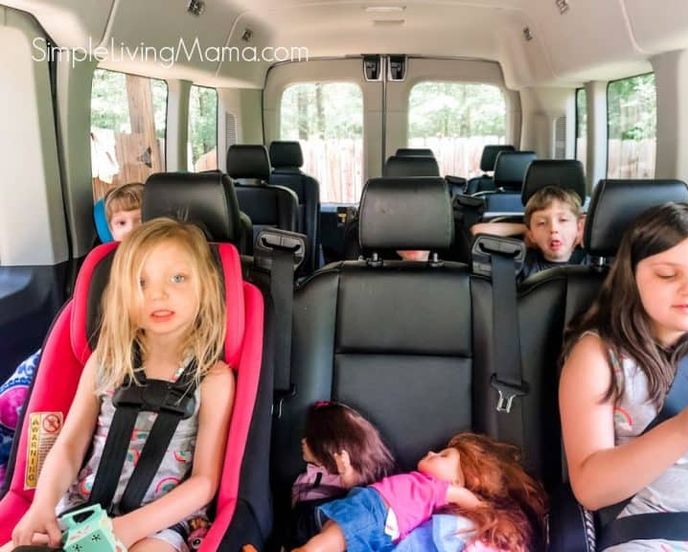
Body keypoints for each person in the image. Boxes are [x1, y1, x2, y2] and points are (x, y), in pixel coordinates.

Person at [4, 218, 235, 552]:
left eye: (178, 278)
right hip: (81, 507)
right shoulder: (105, 362)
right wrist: (43, 505)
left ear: (207, 285)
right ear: (122, 294)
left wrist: (128, 528)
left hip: (160, 523)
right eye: (141, 282)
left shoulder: (213, 378)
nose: (159, 293)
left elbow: (204, 481)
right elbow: (68, 446)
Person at [560, 203, 688, 550]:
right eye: (668, 275)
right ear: (632, 276)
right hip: (656, 532)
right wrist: (686, 429)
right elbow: (591, 489)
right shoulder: (598, 355)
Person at [0, 182, 145, 486]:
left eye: (141, 219)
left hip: (117, 358)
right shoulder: (102, 268)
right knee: (20, 389)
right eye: (121, 223)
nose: (131, 230)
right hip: (92, 351)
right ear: (109, 230)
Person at [294, 432, 547, 552]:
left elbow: (467, 500)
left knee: (328, 542)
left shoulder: (444, 495)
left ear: (461, 480)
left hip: (375, 516)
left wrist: (484, 508)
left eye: (443, 456)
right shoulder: (430, 494)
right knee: (327, 543)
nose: (430, 453)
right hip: (372, 510)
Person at [289, 401, 396, 548]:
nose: (303, 441)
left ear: (327, 447)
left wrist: (348, 476)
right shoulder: (310, 474)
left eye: (310, 440)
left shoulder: (352, 480)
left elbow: (360, 504)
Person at [471, 186, 585, 280]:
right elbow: (477, 231)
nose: (553, 229)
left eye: (563, 220)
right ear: (532, 235)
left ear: (578, 228)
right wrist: (525, 229)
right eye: (542, 223)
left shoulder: (592, 261)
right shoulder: (524, 265)